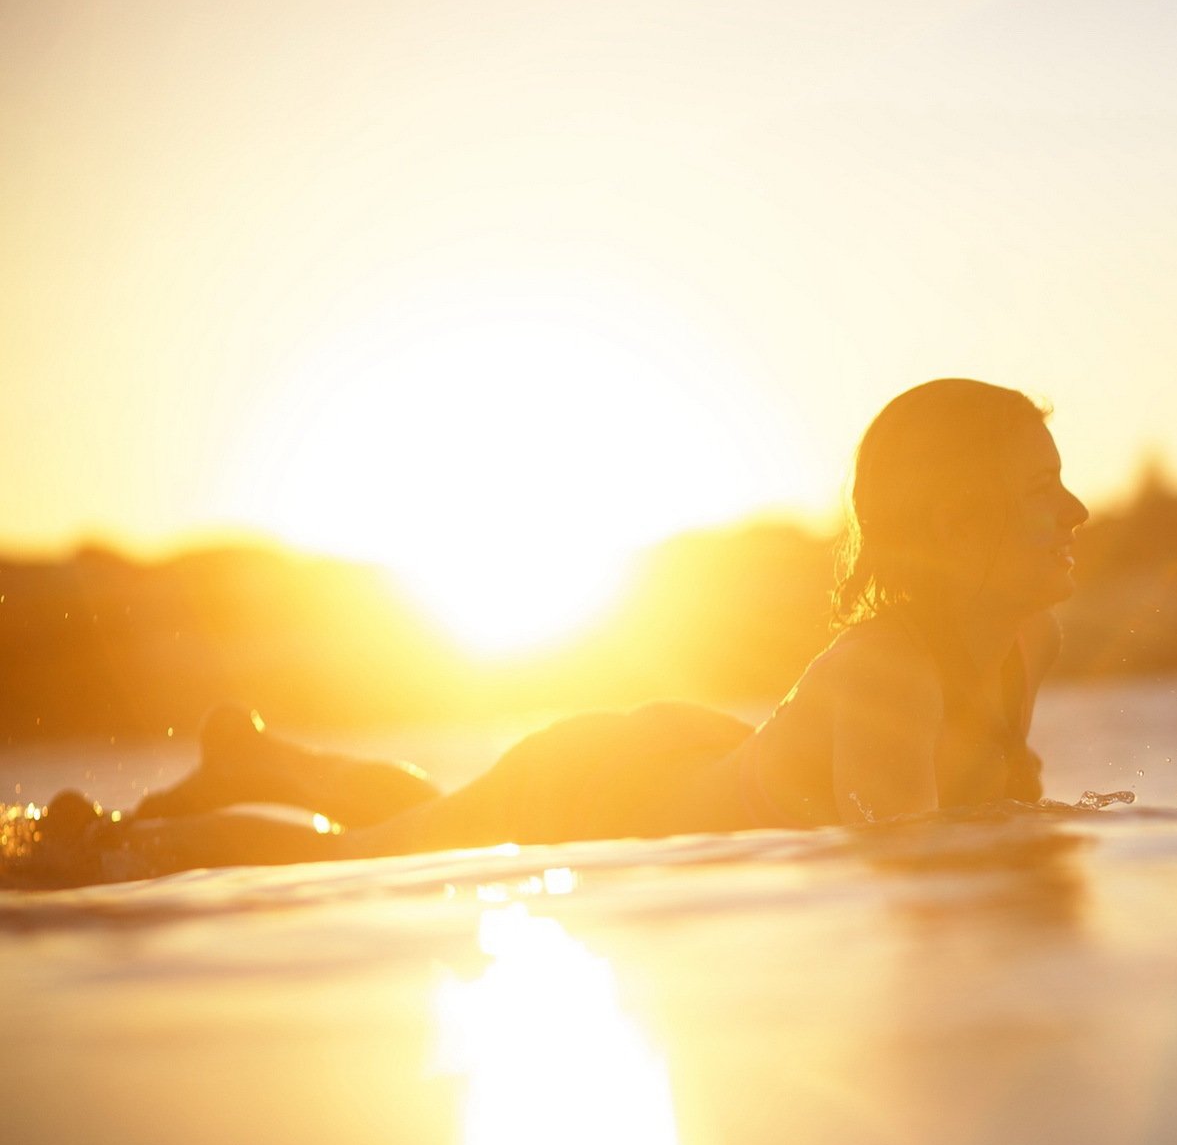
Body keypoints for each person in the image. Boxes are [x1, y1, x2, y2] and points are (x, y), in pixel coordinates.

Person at [15, 379, 1090, 885]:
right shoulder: (888, 672)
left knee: (443, 821)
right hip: (599, 793)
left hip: (691, 757)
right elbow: (915, 870)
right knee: (368, 859)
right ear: (956, 524)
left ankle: (263, 758)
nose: (1078, 513)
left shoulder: (1021, 640)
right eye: (1046, 490)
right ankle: (111, 849)